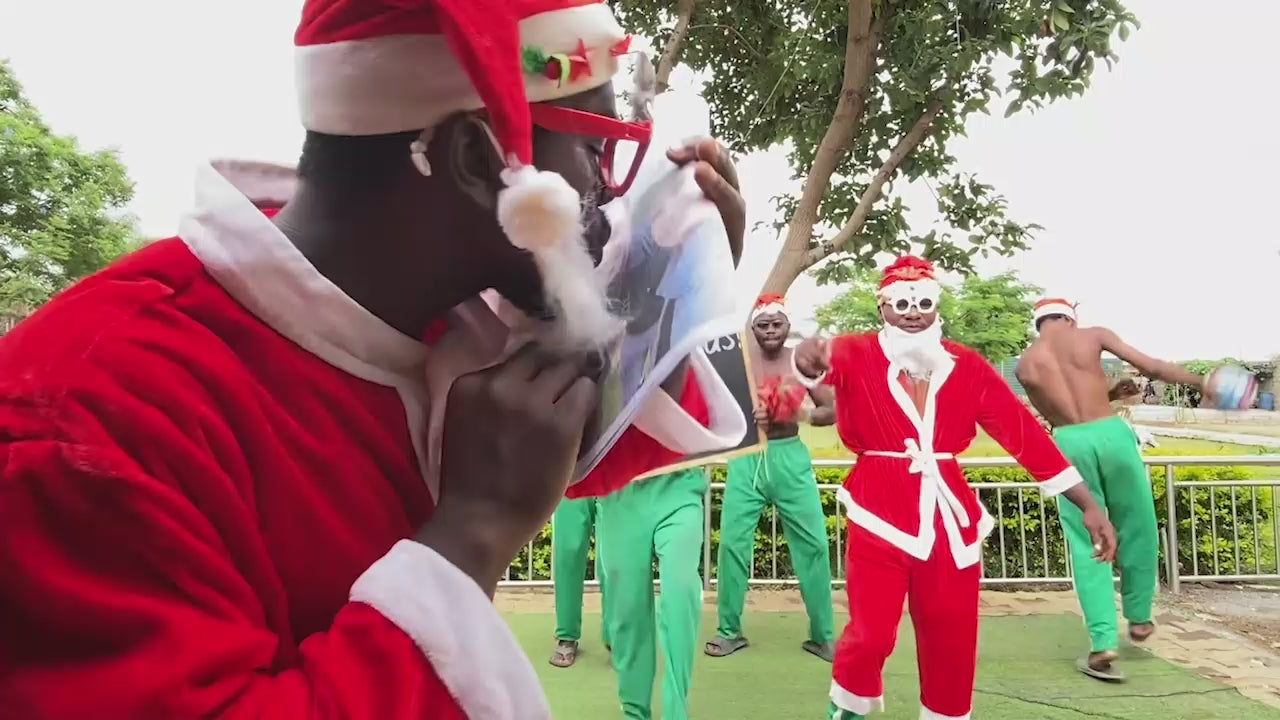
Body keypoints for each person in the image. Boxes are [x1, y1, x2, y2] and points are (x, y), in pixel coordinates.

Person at [0, 1, 749, 717]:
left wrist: (684, 278)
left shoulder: (428, 306)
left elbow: (575, 439)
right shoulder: (85, 427)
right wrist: (473, 532)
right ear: (475, 159)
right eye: (593, 151)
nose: (608, 198)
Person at [791, 256, 1117, 720]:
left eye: (923, 303)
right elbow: (814, 366)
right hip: (878, 513)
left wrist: (1087, 503)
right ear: (882, 307)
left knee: (952, 638)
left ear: (936, 306)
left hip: (951, 523)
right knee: (870, 636)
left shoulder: (966, 365)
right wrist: (805, 359)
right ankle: (848, 709)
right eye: (901, 303)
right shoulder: (856, 351)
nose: (913, 312)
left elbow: (1024, 436)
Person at [1017, 297, 1206, 682]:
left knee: (1087, 543)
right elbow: (1152, 368)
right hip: (1112, 435)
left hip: (1069, 442)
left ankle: (1103, 644)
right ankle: (1139, 618)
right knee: (1138, 524)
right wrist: (1201, 382)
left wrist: (1106, 395)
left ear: (1038, 324)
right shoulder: (1093, 335)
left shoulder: (1025, 365)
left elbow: (1059, 409)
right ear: (1070, 318)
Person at [706, 293, 836, 661]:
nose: (770, 330)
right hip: (747, 457)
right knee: (732, 545)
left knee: (814, 544)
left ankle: (823, 635)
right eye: (763, 325)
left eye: (777, 324)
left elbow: (831, 409)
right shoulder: (739, 361)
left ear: (787, 325)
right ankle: (729, 631)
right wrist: (747, 414)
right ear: (753, 328)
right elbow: (713, 407)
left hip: (790, 457)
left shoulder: (801, 362)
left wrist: (798, 413)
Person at [597, 466, 707, 720]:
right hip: (620, 493)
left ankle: (676, 712)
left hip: (680, 486)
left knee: (681, 592)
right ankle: (634, 711)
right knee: (628, 610)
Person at [549, 497, 610, 667]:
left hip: (613, 483)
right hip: (572, 483)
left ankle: (615, 635)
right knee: (568, 552)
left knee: (612, 559)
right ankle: (566, 635)